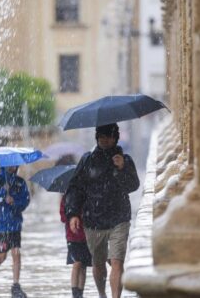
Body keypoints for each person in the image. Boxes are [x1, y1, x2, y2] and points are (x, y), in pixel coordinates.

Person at [65, 123, 140, 298]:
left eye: (110, 136)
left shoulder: (125, 160)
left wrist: (122, 169)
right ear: (97, 138)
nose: (106, 140)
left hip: (119, 218)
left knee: (117, 261)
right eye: (102, 136)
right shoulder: (87, 160)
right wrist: (73, 214)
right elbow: (75, 188)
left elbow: (133, 185)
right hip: (94, 221)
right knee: (98, 264)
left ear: (116, 138)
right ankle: (102, 294)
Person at [0, 166, 30, 298]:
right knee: (2, 256)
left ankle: (16, 286)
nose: (12, 167)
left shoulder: (20, 182)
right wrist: (2, 194)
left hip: (15, 224)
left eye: (14, 165)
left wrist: (14, 202)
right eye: (10, 165)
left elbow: (25, 201)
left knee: (16, 253)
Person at [60, 194, 92, 298]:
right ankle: (75, 293)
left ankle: (80, 293)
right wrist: (72, 216)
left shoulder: (88, 195)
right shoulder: (67, 197)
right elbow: (63, 216)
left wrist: (85, 215)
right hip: (73, 237)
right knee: (77, 262)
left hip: (86, 235)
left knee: (83, 265)